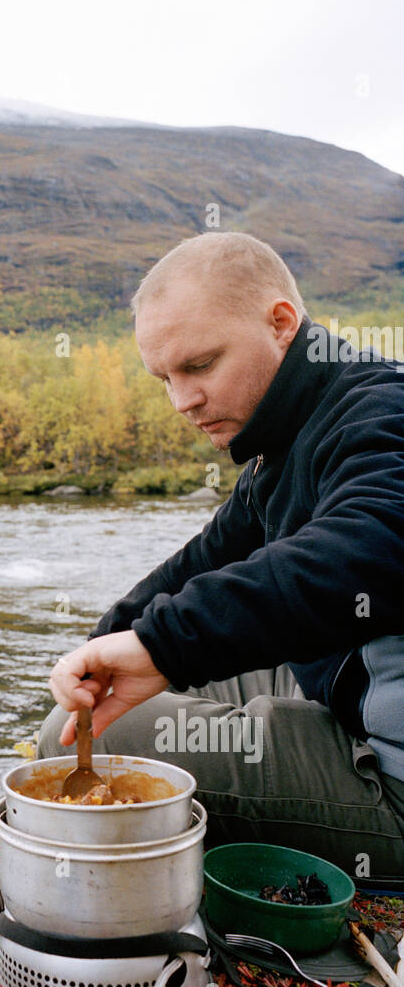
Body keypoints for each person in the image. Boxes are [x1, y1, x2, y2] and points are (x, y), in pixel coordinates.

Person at [40, 231, 404, 880]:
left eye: (200, 365)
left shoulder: (382, 413)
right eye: (165, 378)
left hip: (394, 780)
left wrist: (165, 645)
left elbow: (367, 550)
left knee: (86, 742)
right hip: (340, 694)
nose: (181, 401)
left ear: (280, 324)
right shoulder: (285, 439)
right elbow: (204, 562)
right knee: (90, 710)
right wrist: (99, 649)